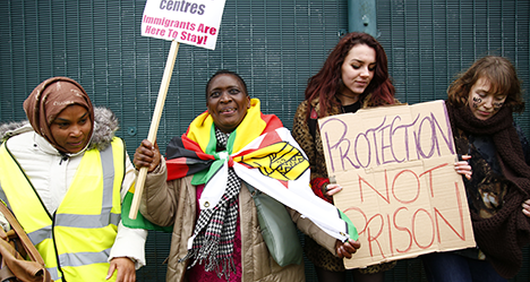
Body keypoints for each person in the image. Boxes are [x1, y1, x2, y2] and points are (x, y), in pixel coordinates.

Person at [133, 69, 360, 282]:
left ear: (248, 100)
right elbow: (161, 216)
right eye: (216, 94)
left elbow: (301, 206)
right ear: (208, 106)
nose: (225, 99)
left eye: (233, 91)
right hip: (200, 275)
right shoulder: (190, 154)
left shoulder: (273, 147)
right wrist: (153, 172)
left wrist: (334, 237)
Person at [0, 77, 147, 282]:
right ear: (41, 123)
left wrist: (127, 252)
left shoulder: (112, 150)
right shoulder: (9, 155)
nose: (77, 132)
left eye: (83, 120)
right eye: (63, 125)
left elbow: (134, 206)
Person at [292, 31, 401, 282]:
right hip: (329, 223)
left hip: (376, 223)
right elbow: (299, 169)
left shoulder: (388, 110)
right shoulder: (311, 111)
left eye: (372, 68)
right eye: (356, 65)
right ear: (339, 65)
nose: (365, 74)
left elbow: (410, 162)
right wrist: (320, 185)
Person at [421, 55, 530, 281]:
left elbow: (524, 178)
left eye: (498, 98)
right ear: (467, 88)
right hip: (447, 238)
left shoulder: (514, 135)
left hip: (495, 242)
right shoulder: (438, 123)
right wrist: (443, 170)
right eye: (481, 95)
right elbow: (413, 172)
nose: (489, 105)